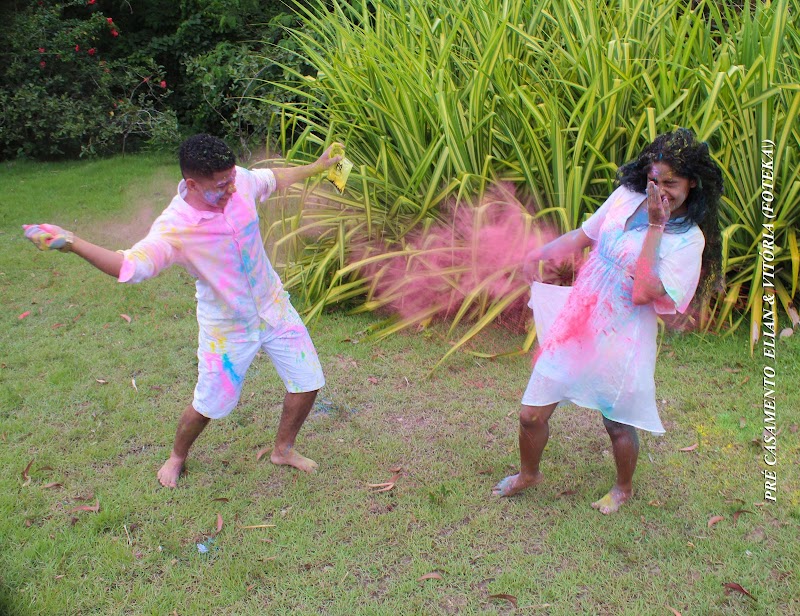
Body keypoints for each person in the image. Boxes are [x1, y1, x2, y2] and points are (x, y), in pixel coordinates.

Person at [23, 134, 344, 488]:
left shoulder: (239, 181)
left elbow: (272, 178)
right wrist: (71, 242)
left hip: (274, 307)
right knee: (209, 406)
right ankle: (177, 456)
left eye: (232, 180)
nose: (231, 190)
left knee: (308, 381)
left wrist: (317, 167)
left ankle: (282, 449)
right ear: (192, 183)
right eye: (221, 185)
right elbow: (129, 266)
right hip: (227, 326)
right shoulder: (175, 227)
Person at [493, 128, 723, 513]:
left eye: (671, 183)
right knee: (531, 414)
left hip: (624, 333)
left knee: (617, 423)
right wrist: (534, 254)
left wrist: (656, 226)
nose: (660, 190)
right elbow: (582, 236)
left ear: (693, 184)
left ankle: (623, 488)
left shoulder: (689, 240)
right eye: (654, 179)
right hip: (580, 319)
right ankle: (528, 474)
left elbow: (644, 292)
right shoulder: (626, 197)